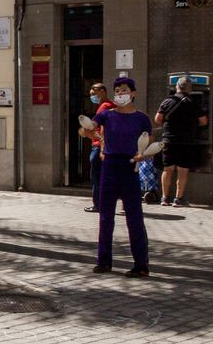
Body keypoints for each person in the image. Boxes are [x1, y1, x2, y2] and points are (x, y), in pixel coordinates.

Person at [92, 77, 152, 278]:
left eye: (124, 90)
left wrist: (142, 155)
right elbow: (91, 126)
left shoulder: (142, 119)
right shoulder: (106, 115)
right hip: (109, 165)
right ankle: (103, 262)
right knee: (105, 216)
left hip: (129, 166)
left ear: (133, 93)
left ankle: (141, 265)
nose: (120, 94)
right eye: (117, 91)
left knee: (134, 217)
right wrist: (86, 128)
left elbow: (148, 143)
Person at [155, 76, 209, 207]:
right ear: (189, 89)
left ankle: (164, 198)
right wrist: (191, 124)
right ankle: (178, 199)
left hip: (169, 140)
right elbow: (204, 121)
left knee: (167, 169)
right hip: (186, 141)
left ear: (176, 87)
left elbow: (157, 119)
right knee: (182, 170)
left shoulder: (167, 101)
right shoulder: (193, 103)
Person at [78, 83, 115, 213]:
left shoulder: (104, 107)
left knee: (97, 178)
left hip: (99, 147)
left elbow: (98, 127)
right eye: (91, 95)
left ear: (103, 91)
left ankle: (98, 204)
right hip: (107, 147)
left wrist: (87, 132)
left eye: (94, 94)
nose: (92, 97)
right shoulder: (112, 106)